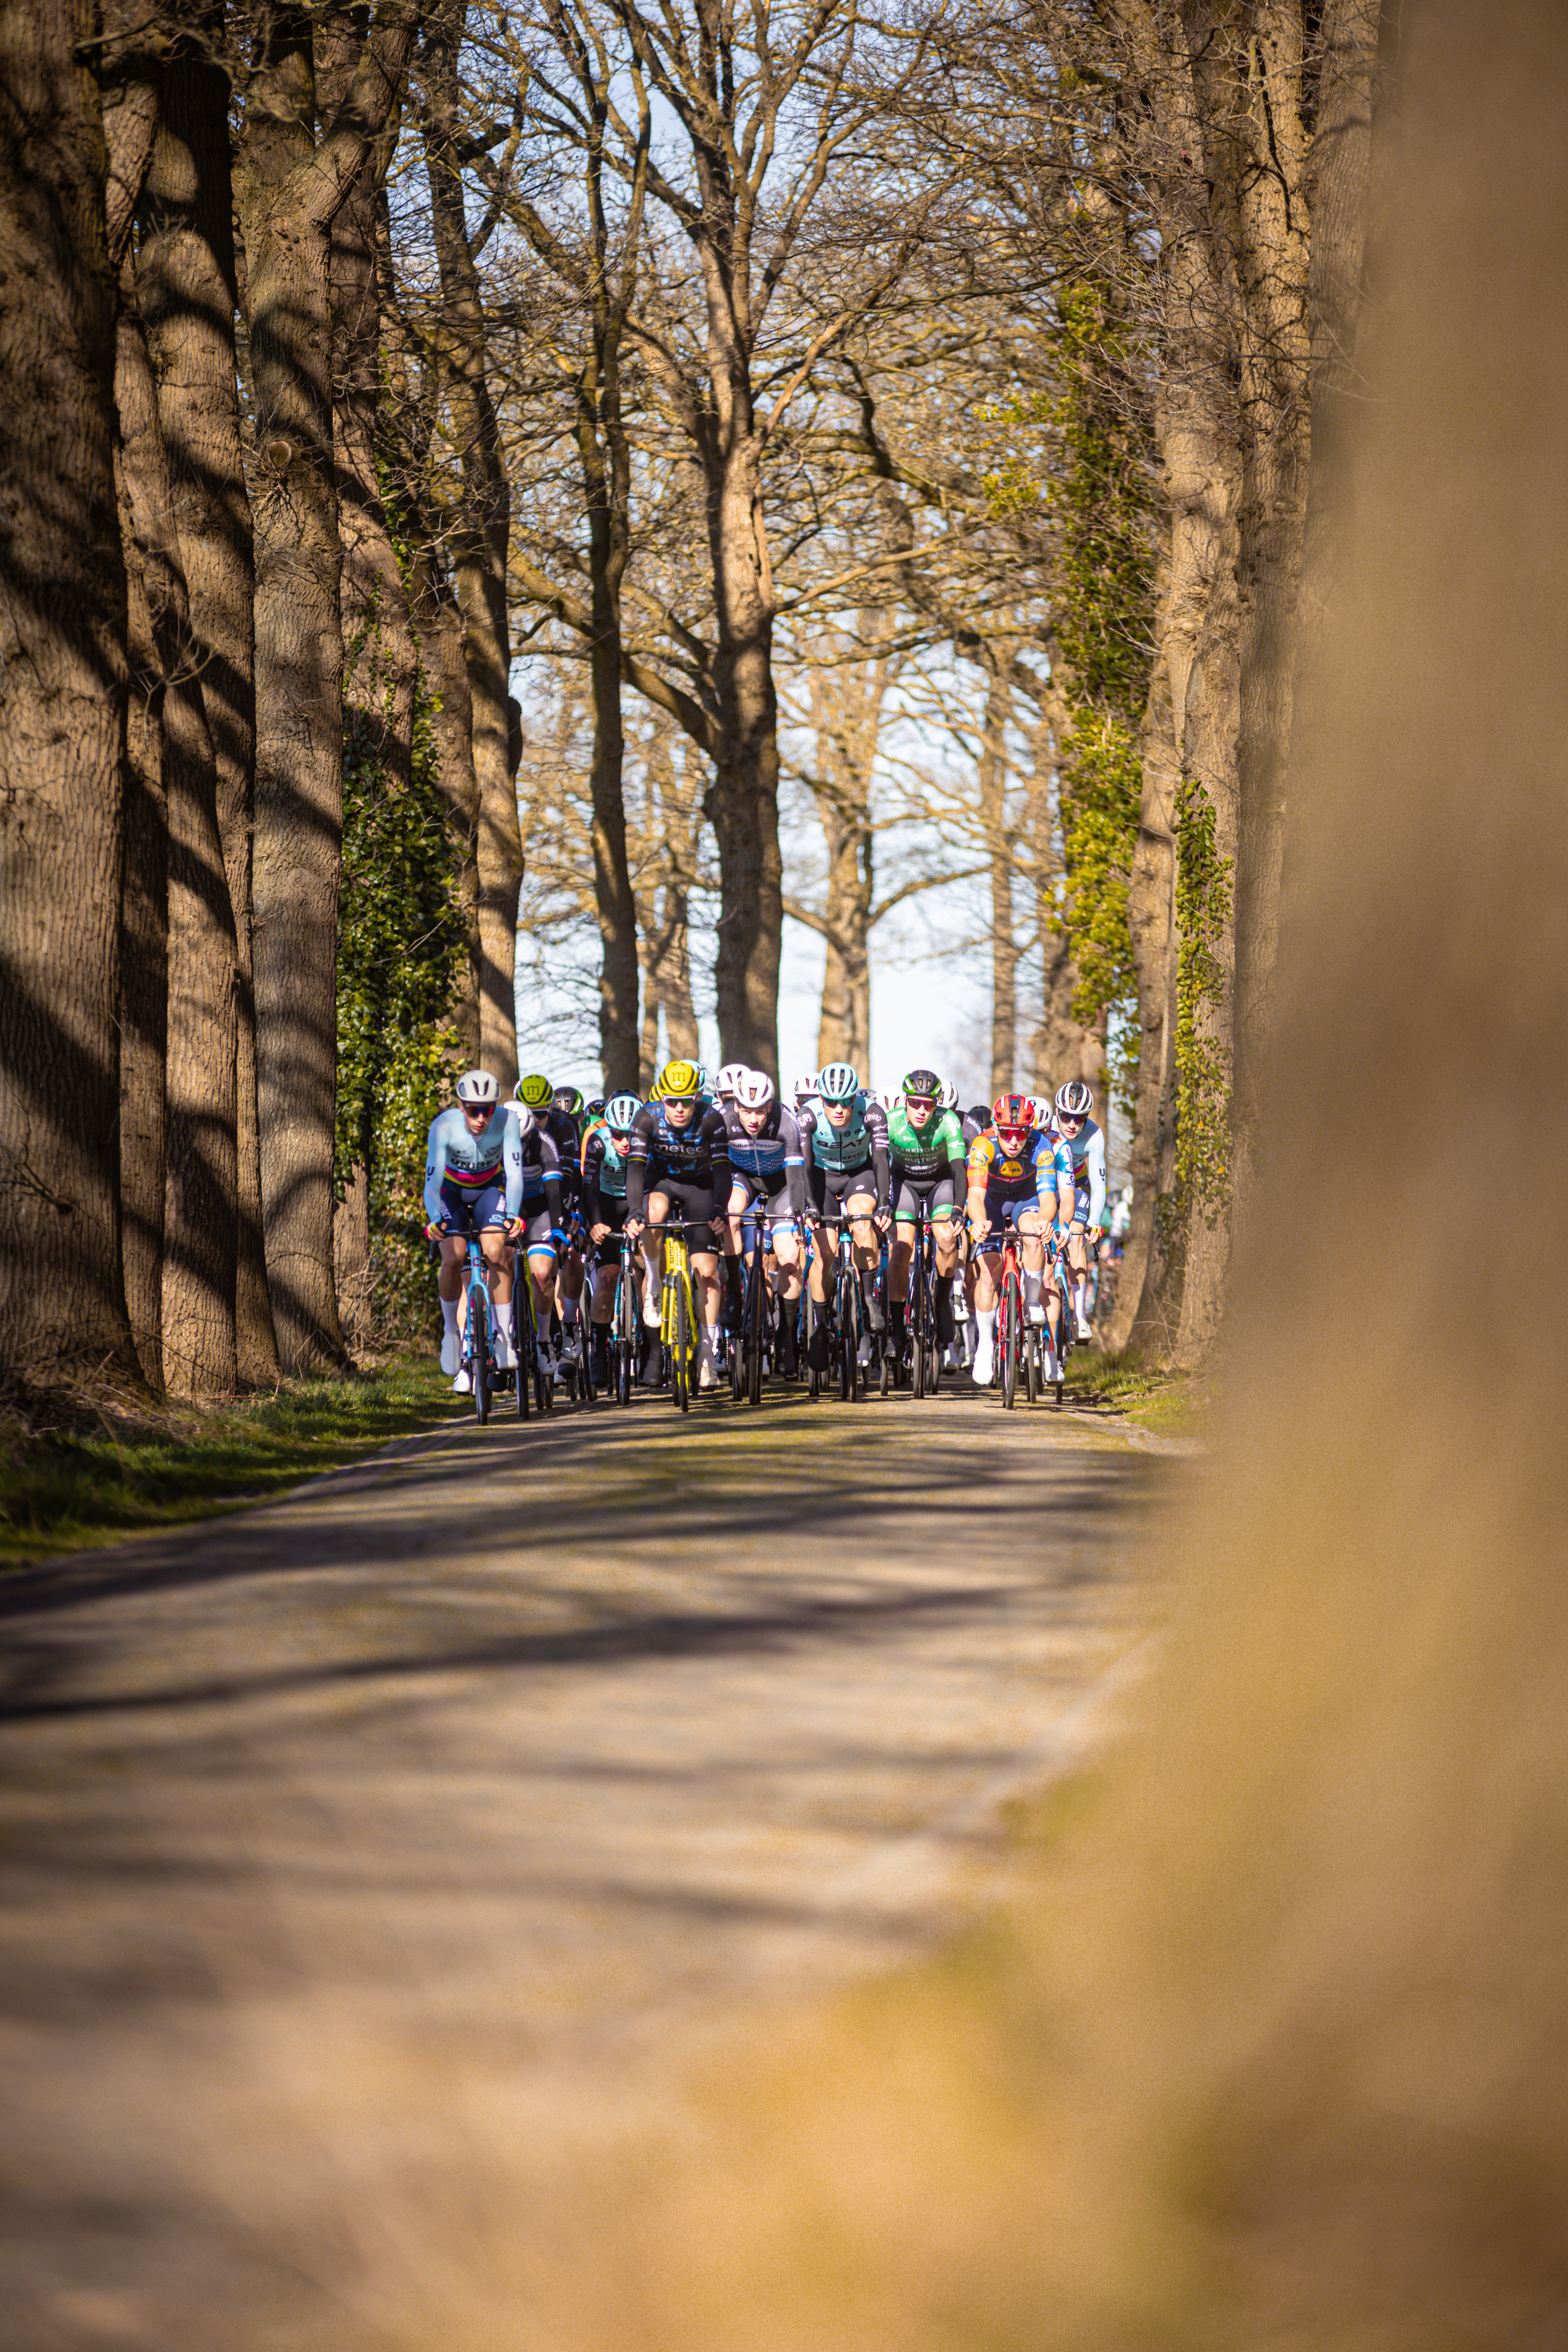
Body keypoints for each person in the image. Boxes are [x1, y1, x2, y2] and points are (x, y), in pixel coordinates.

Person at [423, 1071, 535, 1392]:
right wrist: (433, 1218)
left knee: (497, 1252)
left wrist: (512, 1213)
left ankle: (502, 1336)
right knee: (454, 1256)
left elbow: (514, 1174)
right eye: (474, 1110)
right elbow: (431, 1184)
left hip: (488, 1189)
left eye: (488, 1109)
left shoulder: (507, 1121)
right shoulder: (443, 1125)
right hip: (450, 1193)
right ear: (461, 1106)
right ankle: (450, 1333)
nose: (482, 1118)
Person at [623, 1059, 731, 1390]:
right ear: (662, 1098)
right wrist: (633, 1210)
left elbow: (723, 1170)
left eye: (686, 1101)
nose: (680, 1109)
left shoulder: (712, 1120)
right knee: (652, 1210)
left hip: (700, 1186)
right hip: (662, 1182)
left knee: (708, 1273)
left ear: (697, 1097)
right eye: (672, 1101)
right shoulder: (646, 1117)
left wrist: (718, 1207)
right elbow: (636, 1170)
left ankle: (707, 1355)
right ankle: (654, 1285)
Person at [964, 1093, 1076, 1385]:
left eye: (1020, 1134)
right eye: (1007, 1134)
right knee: (988, 1275)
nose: (1014, 1142)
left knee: (1034, 1237)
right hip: (992, 1200)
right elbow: (975, 1196)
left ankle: (1031, 1300)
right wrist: (977, 1222)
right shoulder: (982, 1145)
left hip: (1025, 1198)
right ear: (996, 1129)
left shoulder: (1042, 1146)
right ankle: (985, 1345)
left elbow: (1049, 1197)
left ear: (1029, 1131)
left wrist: (1045, 1221)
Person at [722, 1069, 811, 1374]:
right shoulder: (723, 1120)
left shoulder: (786, 1122)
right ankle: (734, 1291)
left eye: (760, 1111)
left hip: (780, 1186)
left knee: (788, 1258)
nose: (753, 1119)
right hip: (742, 1179)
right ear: (736, 1106)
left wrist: (798, 1213)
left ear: (770, 1106)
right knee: (731, 1213)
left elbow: (796, 1178)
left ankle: (785, 1334)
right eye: (746, 1110)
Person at [804, 1061, 891, 1368]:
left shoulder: (873, 1112)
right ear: (820, 1099)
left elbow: (880, 1159)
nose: (839, 1109)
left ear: (856, 1098)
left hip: (859, 1175)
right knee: (824, 1255)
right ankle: (820, 1323)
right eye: (831, 1102)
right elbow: (802, 1165)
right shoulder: (807, 1116)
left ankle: (867, 1300)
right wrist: (809, 1205)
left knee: (862, 1222)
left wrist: (883, 1201)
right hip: (820, 1178)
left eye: (846, 1102)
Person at [885, 1067, 967, 1355]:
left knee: (946, 1237)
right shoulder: (891, 1122)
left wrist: (958, 1207)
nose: (921, 1110)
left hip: (939, 1182)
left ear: (937, 1105)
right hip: (903, 1182)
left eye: (928, 1105)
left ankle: (942, 1299)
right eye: (915, 1103)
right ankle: (896, 1328)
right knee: (902, 1246)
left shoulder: (948, 1122)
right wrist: (884, 1202)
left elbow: (958, 1168)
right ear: (905, 1101)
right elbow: (880, 1166)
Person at [514, 1073, 581, 1371]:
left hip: (551, 1198)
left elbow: (568, 1179)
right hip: (514, 1205)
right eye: (528, 1112)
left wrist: (566, 1221)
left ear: (550, 1110)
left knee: (556, 1263)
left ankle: (566, 1326)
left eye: (540, 1114)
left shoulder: (563, 1127)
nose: (534, 1119)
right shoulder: (506, 1129)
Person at [583, 1092, 641, 1385]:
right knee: (606, 1278)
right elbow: (588, 1187)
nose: (625, 1142)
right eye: (618, 1135)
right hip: (604, 1203)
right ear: (609, 1130)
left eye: (630, 1135)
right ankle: (599, 1350)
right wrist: (595, 1224)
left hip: (636, 1202)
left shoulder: (648, 1141)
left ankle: (652, 1345)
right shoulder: (597, 1142)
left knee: (646, 1267)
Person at [1054, 1080, 1109, 1341]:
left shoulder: (1094, 1136)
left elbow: (1099, 1186)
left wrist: (1095, 1222)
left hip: (1078, 1186)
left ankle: (1080, 1318)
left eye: (1079, 1118)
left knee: (1075, 1241)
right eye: (1066, 1117)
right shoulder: (1046, 1128)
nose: (1072, 1124)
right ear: (1057, 1114)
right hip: (1048, 1186)